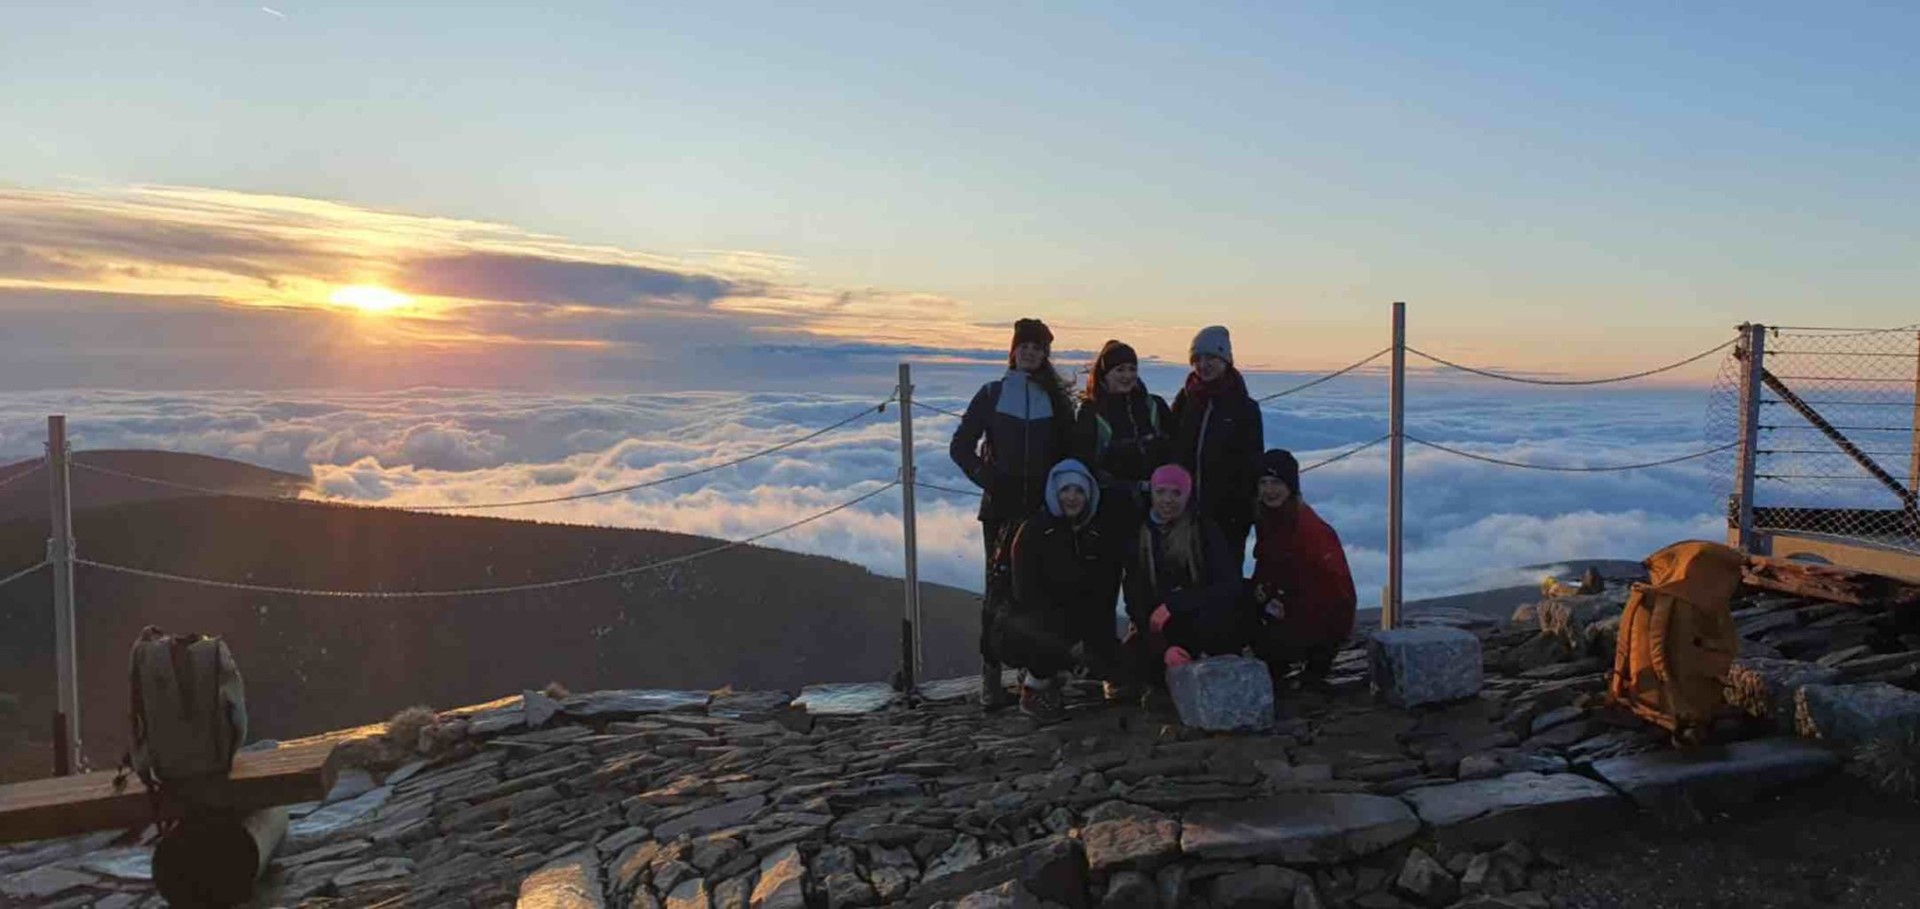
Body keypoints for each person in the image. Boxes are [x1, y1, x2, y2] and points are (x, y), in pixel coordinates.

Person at [950, 318, 1075, 708]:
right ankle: (991, 675)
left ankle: (1033, 672)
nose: (1031, 353)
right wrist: (988, 479)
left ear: (1045, 354)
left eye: (1038, 348)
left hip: (1041, 511)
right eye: (1025, 346)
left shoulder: (1055, 400)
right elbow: (960, 446)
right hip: (1001, 511)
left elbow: (1069, 452)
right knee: (998, 591)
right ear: (1013, 350)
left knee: (1039, 592)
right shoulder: (991, 394)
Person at [994, 459, 1127, 723]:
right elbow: (1026, 595)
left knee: (1118, 663)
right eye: (1065, 490)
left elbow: (1105, 591)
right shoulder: (1033, 531)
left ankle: (1077, 675)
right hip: (1033, 624)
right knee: (1041, 638)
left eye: (1079, 491)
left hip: (1082, 620)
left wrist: (1095, 641)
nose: (1072, 497)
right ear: (1054, 491)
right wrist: (1069, 643)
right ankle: (1036, 686)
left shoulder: (1097, 534)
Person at [1122, 464, 1252, 685]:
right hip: (1161, 624)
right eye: (1161, 492)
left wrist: (1175, 604)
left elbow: (1228, 585)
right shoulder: (1141, 534)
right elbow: (1134, 593)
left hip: (1202, 616)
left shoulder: (1204, 529)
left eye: (1176, 493)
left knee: (1217, 626)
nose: (1167, 500)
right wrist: (1162, 646)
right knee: (1132, 662)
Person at [1248, 450, 1357, 688]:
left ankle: (1310, 659)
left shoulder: (1308, 529)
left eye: (1276, 482)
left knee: (1263, 640)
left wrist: (1277, 602)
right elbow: (1268, 564)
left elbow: (1331, 589)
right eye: (1263, 483)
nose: (1269, 490)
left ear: (1291, 486)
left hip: (1321, 618)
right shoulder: (1272, 518)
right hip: (1291, 605)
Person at [1169, 325, 1265, 565]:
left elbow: (1252, 464)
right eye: (1197, 359)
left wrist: (1241, 514)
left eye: (1211, 357)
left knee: (1223, 586)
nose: (1203, 365)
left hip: (1227, 519)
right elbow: (1170, 450)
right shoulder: (1186, 400)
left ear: (1226, 360)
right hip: (1185, 515)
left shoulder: (1244, 408)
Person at [1072, 339, 1173, 528]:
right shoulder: (1092, 412)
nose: (1127, 375)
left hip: (1155, 507)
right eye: (1119, 370)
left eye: (1131, 369)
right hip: (1109, 508)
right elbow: (1084, 461)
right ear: (1105, 375)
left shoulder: (1154, 406)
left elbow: (1174, 451)